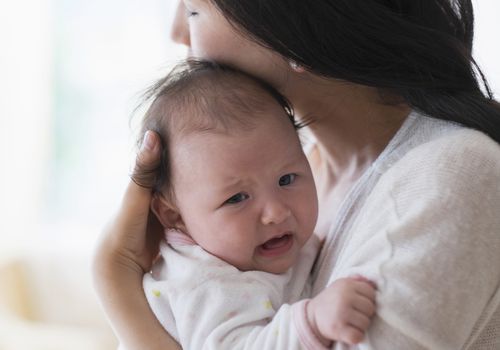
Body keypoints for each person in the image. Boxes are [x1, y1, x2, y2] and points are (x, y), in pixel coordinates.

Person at [93, 1, 500, 349]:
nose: (178, 31)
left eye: (197, 10)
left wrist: (116, 281)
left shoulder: (446, 177)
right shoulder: (302, 176)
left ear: (293, 26)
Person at [134, 59, 376, 349]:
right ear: (175, 216)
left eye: (286, 179)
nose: (276, 212)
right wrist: (310, 321)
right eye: (236, 198)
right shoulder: (205, 283)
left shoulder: (251, 249)